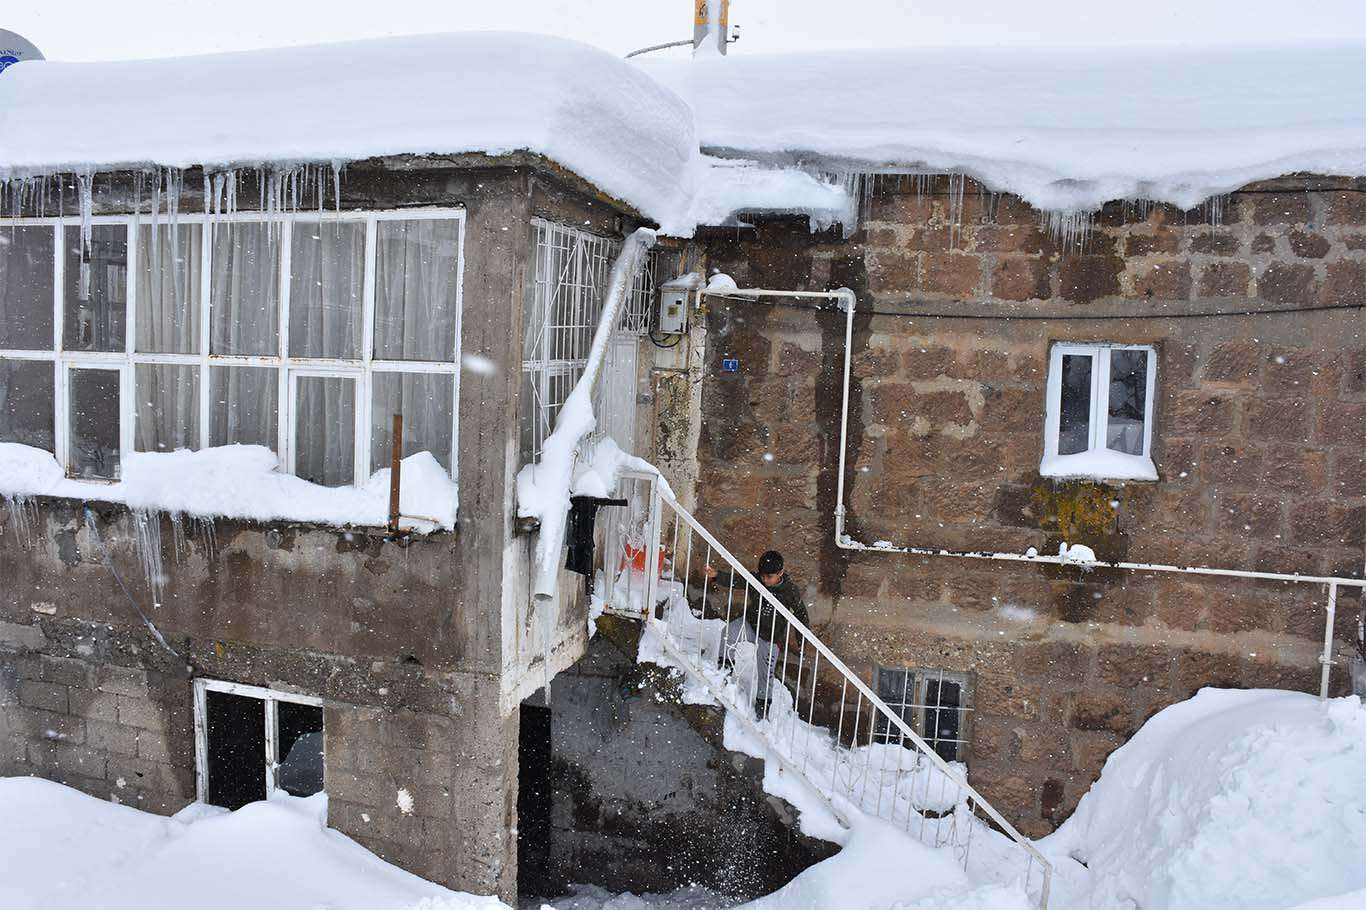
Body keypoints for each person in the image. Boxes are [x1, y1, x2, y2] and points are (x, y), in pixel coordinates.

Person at [704, 550, 810, 714]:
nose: (765, 580)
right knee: (729, 632)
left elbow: (801, 615)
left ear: (780, 573)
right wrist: (717, 575)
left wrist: (802, 641)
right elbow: (737, 581)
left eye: (769, 577)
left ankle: (763, 705)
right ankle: (724, 670)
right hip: (751, 625)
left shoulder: (790, 592)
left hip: (771, 637)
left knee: (765, 672)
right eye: (763, 576)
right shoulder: (757, 580)